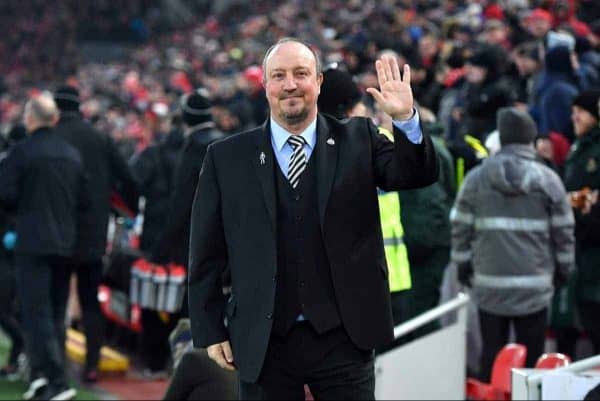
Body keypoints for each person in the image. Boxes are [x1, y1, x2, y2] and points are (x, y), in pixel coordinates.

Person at [188, 37, 438, 400]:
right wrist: (210, 329)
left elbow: (414, 174)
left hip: (345, 336)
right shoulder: (226, 158)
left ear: (318, 82)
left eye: (301, 73)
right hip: (263, 339)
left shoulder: (361, 137)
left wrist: (405, 120)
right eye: (279, 75)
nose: (290, 84)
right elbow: (205, 251)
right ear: (266, 85)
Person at [450, 107, 575, 380]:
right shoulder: (548, 180)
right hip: (536, 287)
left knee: (492, 358)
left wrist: (463, 265)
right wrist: (564, 269)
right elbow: (564, 231)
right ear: (529, 138)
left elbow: (460, 227)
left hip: (489, 286)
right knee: (533, 365)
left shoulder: (476, 179)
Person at [0, 93, 88, 400]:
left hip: (32, 243)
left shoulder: (22, 153)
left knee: (35, 313)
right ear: (55, 119)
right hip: (66, 243)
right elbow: (84, 201)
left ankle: (54, 380)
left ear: (30, 119)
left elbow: (5, 195)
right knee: (55, 312)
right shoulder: (72, 155)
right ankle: (44, 377)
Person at [53, 85, 139, 383]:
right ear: (80, 107)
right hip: (92, 232)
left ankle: (55, 364)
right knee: (90, 300)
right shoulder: (99, 138)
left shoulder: (51, 137)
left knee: (56, 297)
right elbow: (128, 179)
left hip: (57, 230)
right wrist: (125, 211)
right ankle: (91, 364)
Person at [316, 66, 412, 328]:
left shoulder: (308, 149)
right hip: (388, 277)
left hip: (345, 281)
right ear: (351, 108)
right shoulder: (377, 141)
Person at [562, 90, 600, 356]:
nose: (575, 116)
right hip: (580, 242)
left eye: (582, 111)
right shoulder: (578, 147)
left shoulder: (595, 149)